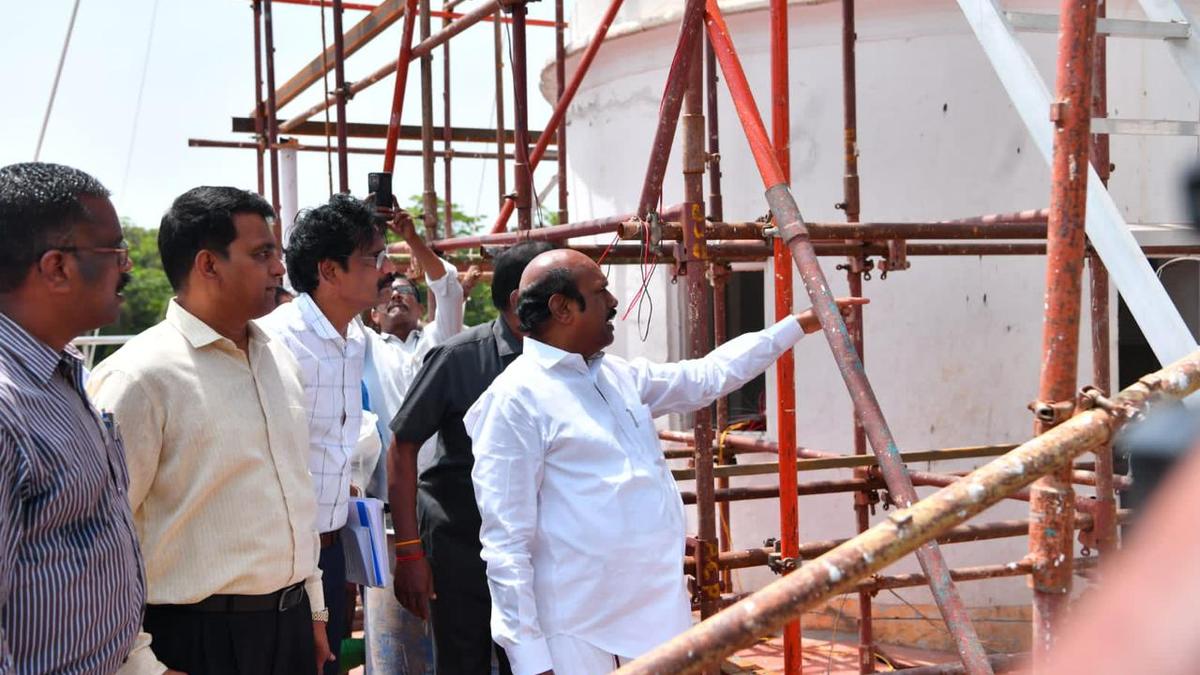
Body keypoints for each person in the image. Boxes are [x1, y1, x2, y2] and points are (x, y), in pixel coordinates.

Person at [465, 249, 866, 674]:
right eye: (600, 292)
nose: (614, 303)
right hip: (581, 633)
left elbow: (707, 377)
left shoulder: (616, 376)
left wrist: (797, 326)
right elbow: (506, 543)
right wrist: (530, 662)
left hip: (658, 616)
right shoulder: (514, 400)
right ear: (562, 308)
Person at [87, 186, 331, 675]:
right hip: (196, 640)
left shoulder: (278, 359)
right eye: (262, 254)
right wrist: (138, 663)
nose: (279, 269)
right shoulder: (138, 377)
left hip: (290, 628)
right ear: (208, 264)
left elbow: (295, 497)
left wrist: (315, 611)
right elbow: (93, 538)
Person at [0, 162, 146, 673]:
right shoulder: (8, 406)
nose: (126, 267)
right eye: (115, 253)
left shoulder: (61, 373)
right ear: (57, 267)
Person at [257, 193, 411, 675]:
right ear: (329, 270)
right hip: (283, 567)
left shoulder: (352, 340)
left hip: (329, 554)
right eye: (372, 259)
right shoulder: (277, 342)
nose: (384, 272)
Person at [389, 241, 556, 675]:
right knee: (465, 660)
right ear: (521, 303)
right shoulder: (458, 358)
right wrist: (409, 553)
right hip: (463, 546)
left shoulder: (571, 361)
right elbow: (403, 446)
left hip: (541, 548)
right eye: (563, 294)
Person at [359, 228, 462, 675]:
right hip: (385, 515)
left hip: (443, 509)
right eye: (387, 293)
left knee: (449, 621)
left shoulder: (441, 342)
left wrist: (410, 236)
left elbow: (449, 286)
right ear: (374, 313)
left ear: (421, 308)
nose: (397, 297)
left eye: (406, 292)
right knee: (392, 632)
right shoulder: (362, 349)